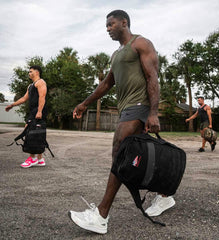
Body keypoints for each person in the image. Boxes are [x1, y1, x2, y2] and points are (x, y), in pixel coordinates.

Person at [68, 10, 175, 234]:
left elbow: (152, 76)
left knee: (120, 153)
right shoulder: (116, 55)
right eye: (106, 25)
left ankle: (101, 215)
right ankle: (165, 196)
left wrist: (153, 112)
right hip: (127, 108)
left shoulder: (141, 43)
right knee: (142, 158)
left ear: (124, 23)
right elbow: (107, 84)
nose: (107, 28)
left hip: (139, 107)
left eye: (111, 24)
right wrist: (84, 103)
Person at [5, 65, 47, 168]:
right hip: (33, 111)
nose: (29, 73)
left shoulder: (41, 82)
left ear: (37, 72)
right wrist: (12, 105)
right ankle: (40, 159)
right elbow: (24, 99)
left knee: (30, 133)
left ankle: (32, 158)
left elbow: (42, 97)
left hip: (38, 111)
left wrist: (39, 111)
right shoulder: (31, 86)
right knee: (37, 133)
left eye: (31, 71)